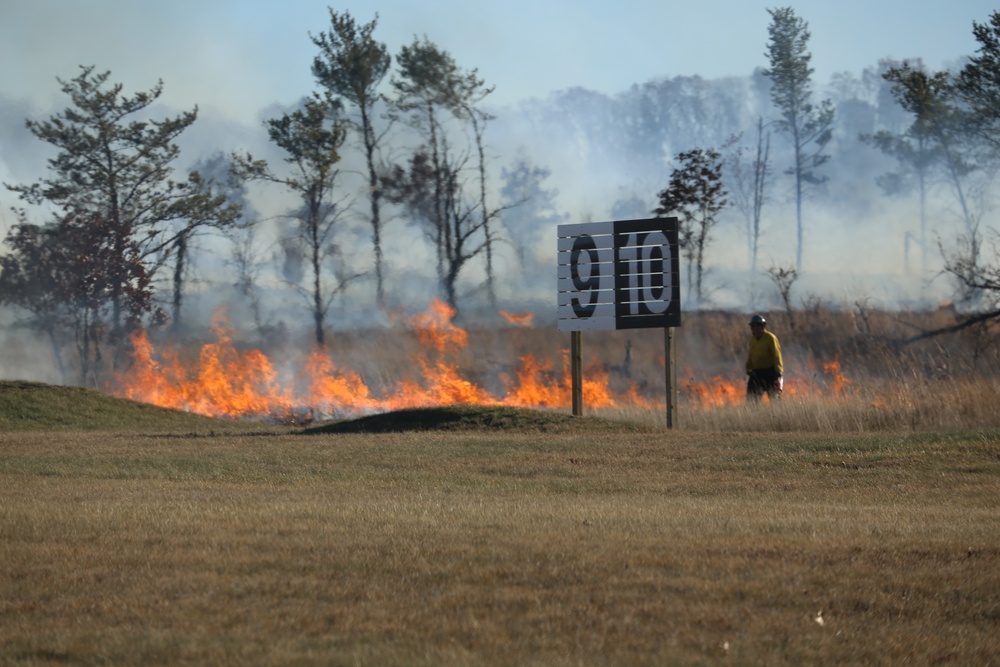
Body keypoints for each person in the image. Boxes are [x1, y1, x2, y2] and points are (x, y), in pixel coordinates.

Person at [746, 314, 783, 402]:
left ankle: (779, 414)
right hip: (756, 373)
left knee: (775, 399)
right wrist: (748, 368)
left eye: (753, 326)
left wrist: (779, 372)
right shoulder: (753, 340)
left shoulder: (770, 338)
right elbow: (751, 355)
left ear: (760, 327)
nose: (752, 329)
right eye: (751, 327)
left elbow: (777, 355)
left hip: (770, 373)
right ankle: (751, 415)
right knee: (751, 399)